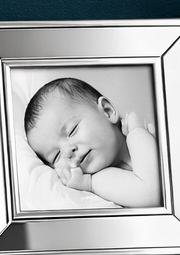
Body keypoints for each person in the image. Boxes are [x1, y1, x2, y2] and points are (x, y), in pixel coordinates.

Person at [23, 77, 162, 208]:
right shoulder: (100, 180)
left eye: (72, 130)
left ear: (107, 111)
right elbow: (151, 192)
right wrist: (137, 133)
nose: (67, 151)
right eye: (56, 155)